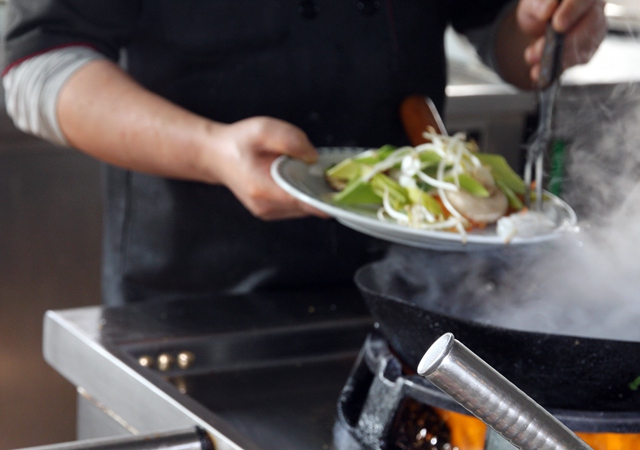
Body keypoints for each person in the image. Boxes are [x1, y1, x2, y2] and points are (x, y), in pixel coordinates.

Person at [3, 0, 606, 306]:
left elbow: (506, 32)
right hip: (198, 306)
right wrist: (210, 149)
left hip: (413, 295)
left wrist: (547, 32)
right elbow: (38, 65)